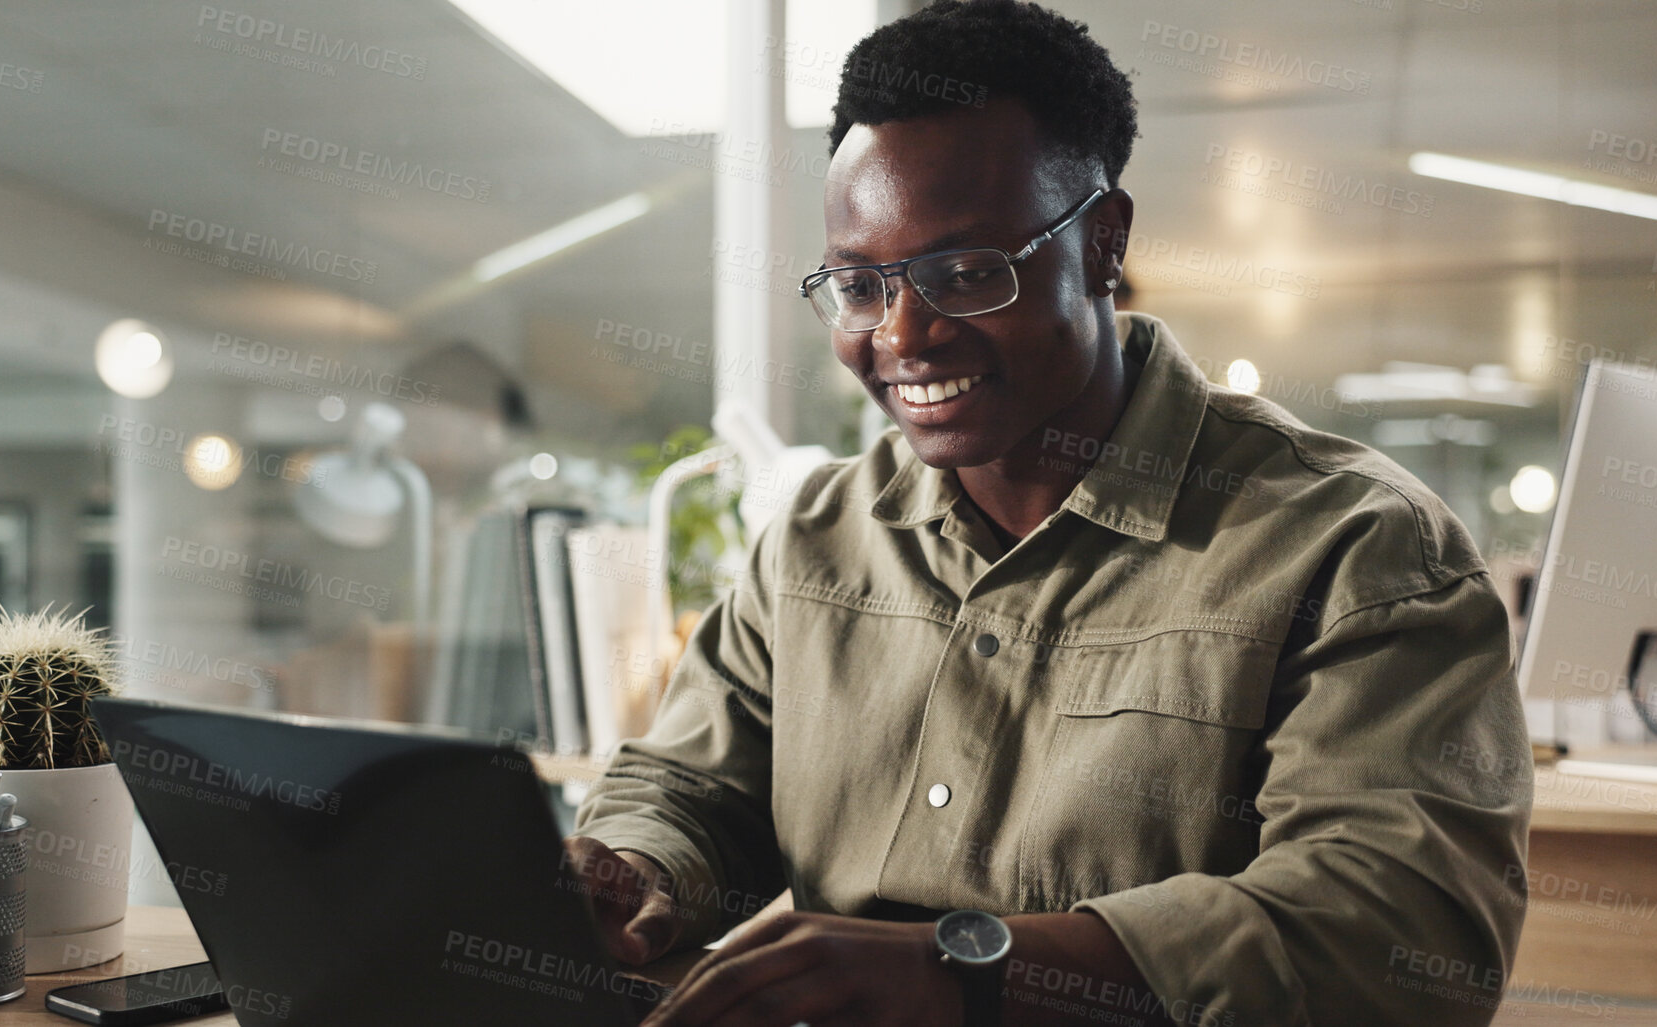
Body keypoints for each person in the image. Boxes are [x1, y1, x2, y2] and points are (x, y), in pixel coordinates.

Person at [567, 2, 1531, 1024]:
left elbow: (1400, 939)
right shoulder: (818, 539)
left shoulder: (1357, 548)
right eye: (859, 283)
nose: (904, 334)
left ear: (1103, 244)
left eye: (968, 273)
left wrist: (965, 969)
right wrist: (636, 870)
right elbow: (688, 790)